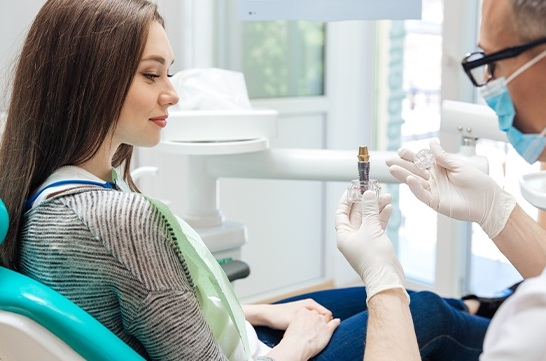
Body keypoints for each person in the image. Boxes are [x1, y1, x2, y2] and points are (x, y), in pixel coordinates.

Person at [0, 1, 494, 360]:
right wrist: (296, 344)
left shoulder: (45, 191)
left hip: (229, 338)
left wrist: (257, 312)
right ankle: (526, 326)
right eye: (152, 76)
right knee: (426, 313)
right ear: (90, 80)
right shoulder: (114, 218)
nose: (172, 94)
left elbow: (155, 312)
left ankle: (486, 305)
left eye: (169, 73)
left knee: (364, 295)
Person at [338, 0, 546, 359]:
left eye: (491, 64)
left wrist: (383, 282)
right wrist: (496, 211)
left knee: (429, 312)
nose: (488, 86)